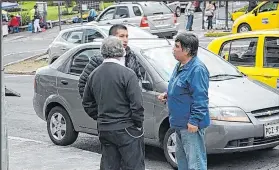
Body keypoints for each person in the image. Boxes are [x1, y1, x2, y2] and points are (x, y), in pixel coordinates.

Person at [82, 36, 145, 170]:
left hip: (105, 128)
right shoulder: (128, 74)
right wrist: (137, 123)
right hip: (127, 128)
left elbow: (87, 102)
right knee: (133, 165)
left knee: (109, 165)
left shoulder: (94, 74)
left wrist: (100, 117)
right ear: (122, 52)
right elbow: (137, 104)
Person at [158, 33, 210, 170]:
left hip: (190, 125)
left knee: (196, 163)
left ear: (187, 51)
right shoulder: (180, 65)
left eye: (177, 46)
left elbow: (201, 98)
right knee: (183, 162)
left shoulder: (197, 69)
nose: (173, 49)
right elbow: (180, 87)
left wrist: (194, 120)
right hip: (178, 123)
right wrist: (168, 95)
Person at [78, 24, 142, 98]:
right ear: (111, 38)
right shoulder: (98, 60)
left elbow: (138, 79)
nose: (125, 40)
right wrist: (95, 107)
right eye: (121, 36)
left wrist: (136, 98)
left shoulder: (131, 57)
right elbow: (83, 83)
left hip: (127, 107)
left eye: (127, 36)